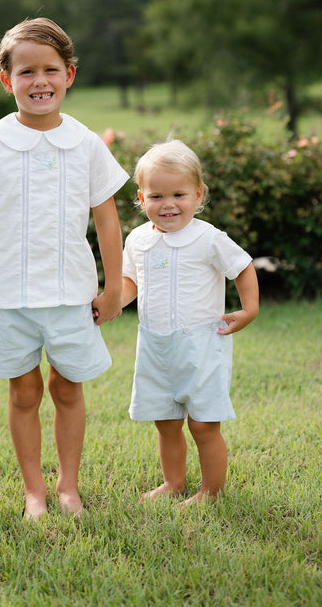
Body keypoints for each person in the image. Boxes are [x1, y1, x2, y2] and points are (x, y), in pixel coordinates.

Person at [0, 18, 129, 520]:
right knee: (25, 390)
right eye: (26, 71)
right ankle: (34, 491)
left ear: (69, 74)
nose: (40, 81)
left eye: (51, 69)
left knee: (67, 388)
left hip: (71, 293)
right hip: (7, 296)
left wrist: (114, 286)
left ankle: (67, 486)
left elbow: (107, 219)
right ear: (7, 80)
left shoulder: (87, 143)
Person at [121, 139, 259, 506]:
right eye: (157, 196)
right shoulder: (137, 240)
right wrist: (114, 303)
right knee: (165, 421)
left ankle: (211, 493)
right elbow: (130, 282)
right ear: (141, 197)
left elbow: (243, 268)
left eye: (179, 194)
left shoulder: (208, 238)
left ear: (198, 195)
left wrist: (249, 310)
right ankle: (174, 482)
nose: (168, 204)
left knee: (202, 424)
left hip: (200, 345)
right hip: (154, 346)